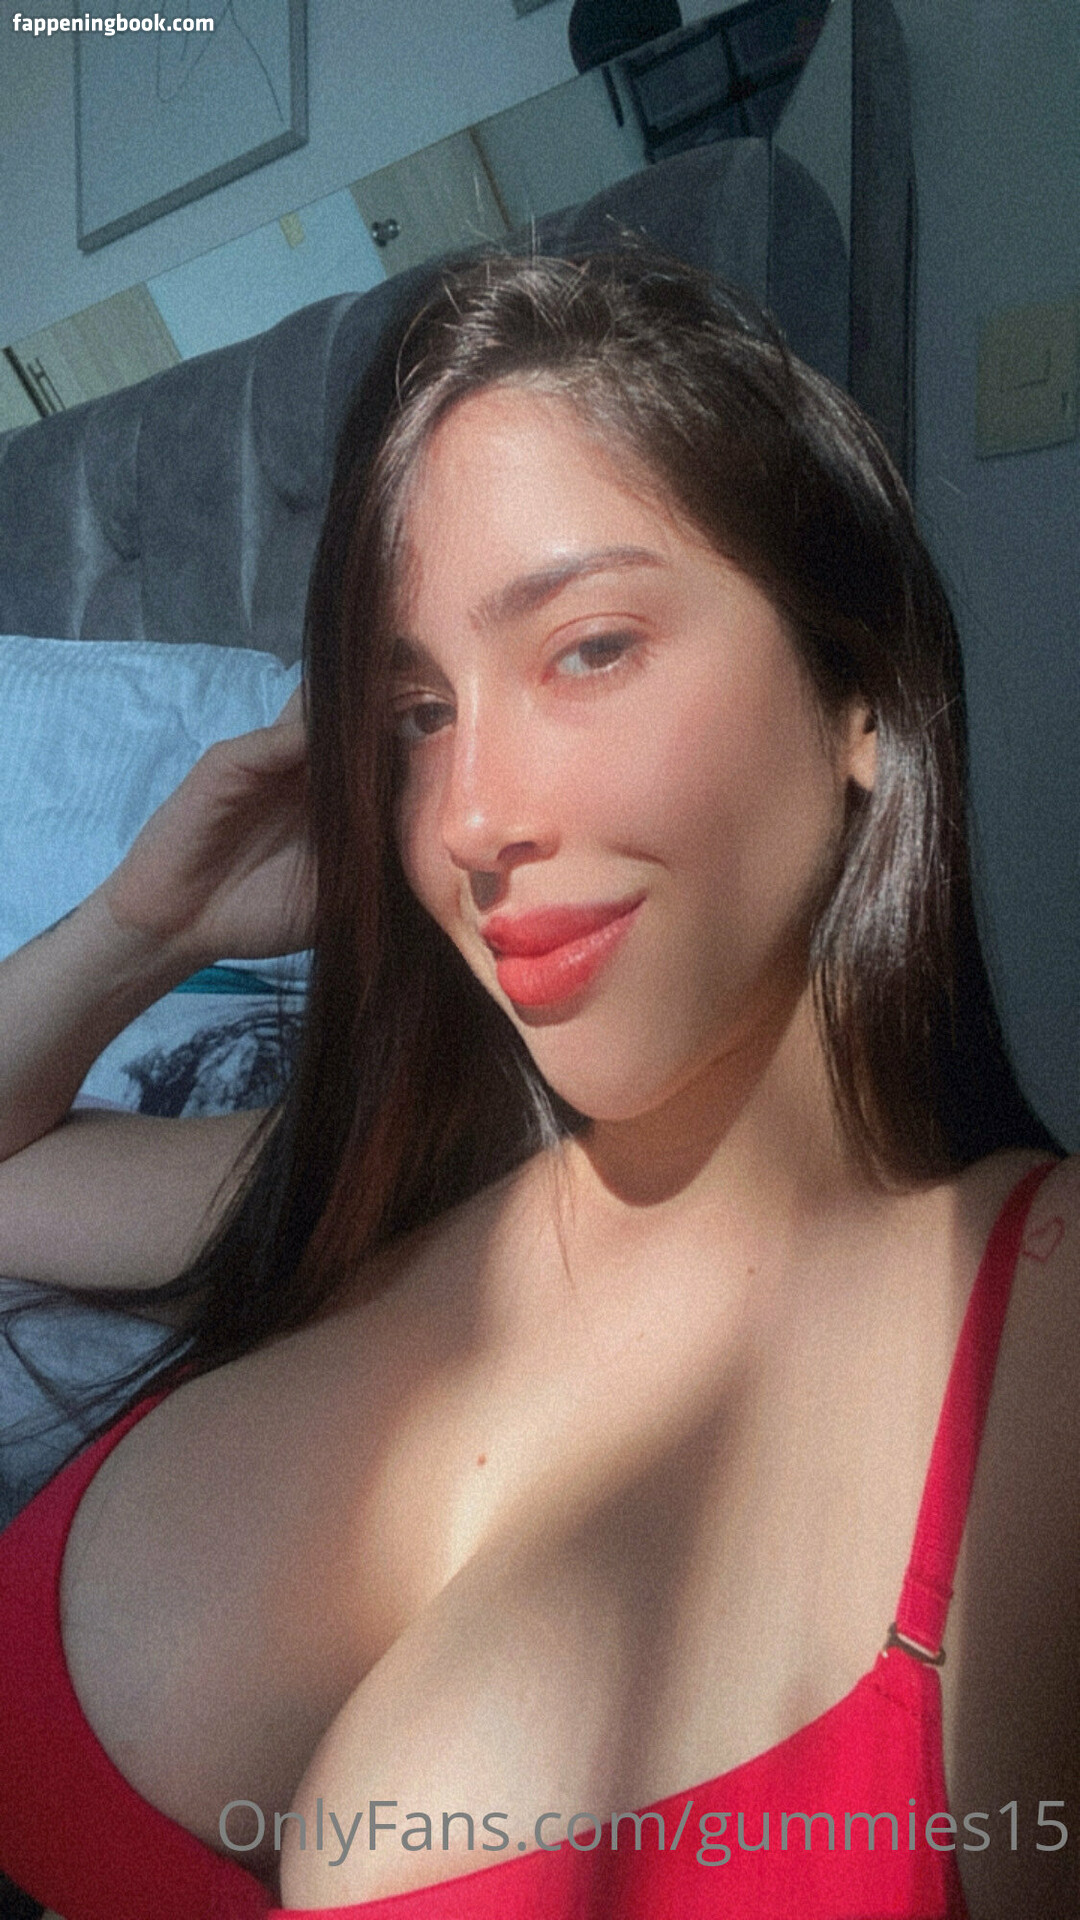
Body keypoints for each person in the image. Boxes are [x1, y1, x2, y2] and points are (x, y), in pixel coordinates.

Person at [0, 249, 1076, 1920]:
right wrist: (150, 923)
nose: (467, 817)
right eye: (416, 716)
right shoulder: (374, 1177)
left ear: (859, 691)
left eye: (588, 649)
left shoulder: (1039, 1340)